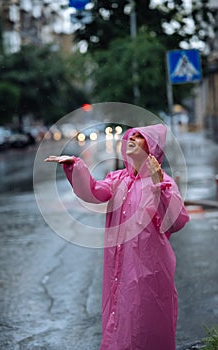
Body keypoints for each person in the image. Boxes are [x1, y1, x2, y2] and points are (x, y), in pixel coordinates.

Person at [44, 123, 189, 350]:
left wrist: (158, 184)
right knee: (121, 320)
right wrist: (76, 166)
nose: (132, 139)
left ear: (152, 147)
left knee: (146, 323)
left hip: (150, 269)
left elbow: (176, 220)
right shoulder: (119, 179)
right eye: (131, 136)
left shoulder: (163, 182)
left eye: (140, 137)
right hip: (120, 267)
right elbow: (94, 192)